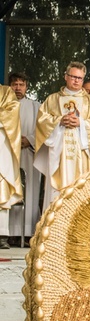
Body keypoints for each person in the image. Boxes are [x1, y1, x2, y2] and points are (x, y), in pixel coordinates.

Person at [34, 62, 90, 210]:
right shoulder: (52, 100)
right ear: (66, 76)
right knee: (56, 197)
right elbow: (41, 121)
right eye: (73, 77)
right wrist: (59, 122)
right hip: (59, 154)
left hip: (82, 155)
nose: (76, 81)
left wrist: (82, 123)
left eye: (80, 78)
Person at [9, 72, 41, 243]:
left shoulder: (36, 107)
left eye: (21, 84)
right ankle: (9, 233)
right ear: (10, 86)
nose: (18, 88)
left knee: (31, 188)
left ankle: (29, 232)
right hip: (8, 154)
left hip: (29, 152)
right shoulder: (4, 106)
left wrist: (29, 139)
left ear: (26, 87)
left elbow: (44, 128)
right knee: (10, 189)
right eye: (15, 84)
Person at [0, 84, 22, 249]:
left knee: (1, 187)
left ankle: (1, 235)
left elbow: (12, 111)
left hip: (1, 143)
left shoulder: (6, 92)